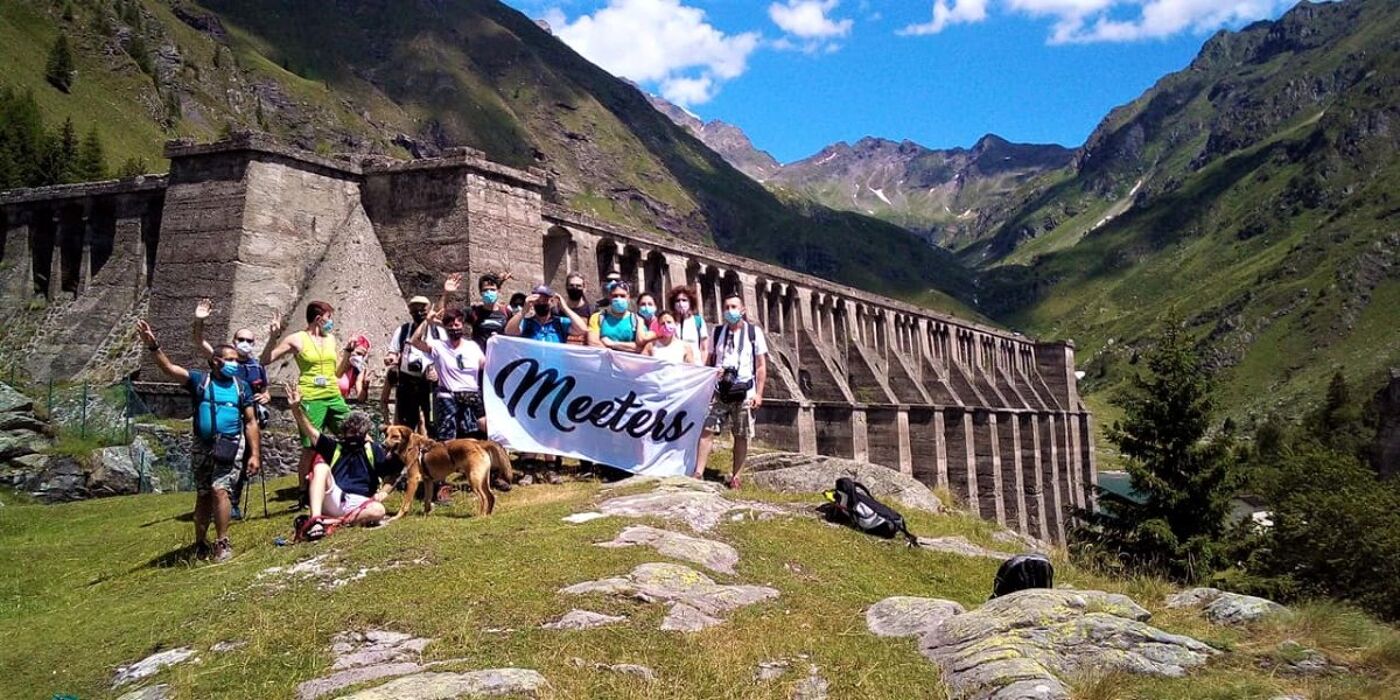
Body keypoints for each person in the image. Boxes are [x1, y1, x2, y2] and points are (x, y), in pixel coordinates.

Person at [136, 319, 260, 562]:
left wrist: (255, 454)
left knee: (220, 490)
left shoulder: (242, 387)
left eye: (236, 360)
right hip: (202, 445)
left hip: (230, 444)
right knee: (203, 493)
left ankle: (222, 542)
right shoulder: (199, 381)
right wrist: (153, 346)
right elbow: (169, 369)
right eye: (230, 360)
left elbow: (251, 421)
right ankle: (201, 542)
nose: (235, 364)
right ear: (216, 361)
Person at [261, 301, 351, 507]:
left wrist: (347, 352)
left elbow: (337, 371)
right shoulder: (297, 339)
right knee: (311, 447)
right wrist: (273, 337)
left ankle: (350, 478)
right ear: (318, 319)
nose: (331, 322)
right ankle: (303, 493)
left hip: (333, 395)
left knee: (353, 432)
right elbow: (265, 359)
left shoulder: (331, 339)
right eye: (329, 318)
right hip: (311, 397)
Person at [286, 383, 403, 534]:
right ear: (344, 432)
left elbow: (392, 473)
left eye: (358, 432)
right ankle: (316, 520)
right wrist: (296, 409)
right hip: (334, 496)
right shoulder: (335, 448)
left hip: (359, 501)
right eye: (350, 432)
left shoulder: (372, 450)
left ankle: (334, 521)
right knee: (320, 468)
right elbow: (311, 432)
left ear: (364, 434)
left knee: (378, 510)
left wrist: (384, 492)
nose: (353, 436)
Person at [192, 298, 270, 521]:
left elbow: (265, 390)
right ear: (234, 341)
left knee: (245, 462)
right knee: (219, 464)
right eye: (241, 339)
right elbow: (199, 341)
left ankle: (232, 503)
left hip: (249, 419)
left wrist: (266, 396)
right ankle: (218, 504)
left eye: (249, 340)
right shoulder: (223, 360)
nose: (245, 343)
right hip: (225, 424)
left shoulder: (256, 366)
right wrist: (199, 320)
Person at [695, 293, 767, 489]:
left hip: (744, 392)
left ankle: (736, 477)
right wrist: (709, 376)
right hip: (720, 391)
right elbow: (709, 359)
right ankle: (698, 473)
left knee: (741, 435)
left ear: (743, 310)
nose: (730, 311)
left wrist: (759, 394)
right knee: (707, 429)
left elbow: (761, 365)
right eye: (727, 307)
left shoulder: (754, 333)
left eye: (734, 307)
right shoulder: (717, 332)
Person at [410, 307, 487, 441]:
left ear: (462, 325)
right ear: (445, 327)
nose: (454, 328)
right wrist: (426, 321)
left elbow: (486, 366)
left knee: (474, 436)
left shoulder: (473, 347)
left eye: (457, 325)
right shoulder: (438, 346)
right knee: (448, 439)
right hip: (448, 396)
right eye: (450, 325)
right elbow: (415, 341)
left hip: (471, 396)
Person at [385, 293, 444, 432]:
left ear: (429, 310)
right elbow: (393, 352)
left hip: (430, 383)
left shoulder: (439, 331)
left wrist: (438, 372)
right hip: (407, 382)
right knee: (406, 426)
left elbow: (447, 355)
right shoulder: (402, 330)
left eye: (422, 309)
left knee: (433, 424)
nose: (419, 313)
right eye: (415, 310)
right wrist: (391, 359)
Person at [505, 285, 589, 343]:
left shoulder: (560, 323)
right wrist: (523, 311)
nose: (541, 303)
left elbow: (582, 329)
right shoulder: (527, 323)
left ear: (551, 301)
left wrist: (565, 308)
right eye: (538, 301)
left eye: (545, 300)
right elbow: (509, 331)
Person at [587, 281, 652, 353]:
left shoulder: (637, 320)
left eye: (622, 296)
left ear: (628, 297)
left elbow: (643, 347)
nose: (619, 299)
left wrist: (612, 344)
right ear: (610, 297)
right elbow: (593, 343)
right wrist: (629, 347)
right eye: (615, 296)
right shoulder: (598, 317)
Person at [467, 272, 514, 350]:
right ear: (480, 293)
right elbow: (447, 317)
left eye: (492, 290)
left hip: (499, 355)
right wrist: (447, 293)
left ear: (498, 291)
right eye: (485, 290)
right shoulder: (474, 312)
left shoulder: (506, 312)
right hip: (481, 356)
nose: (489, 292)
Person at [668, 285, 710, 360]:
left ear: (690, 302)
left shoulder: (698, 321)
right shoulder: (669, 321)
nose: (680, 303)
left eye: (684, 300)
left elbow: (704, 348)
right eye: (677, 300)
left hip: (694, 363)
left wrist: (702, 364)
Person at [338, 335, 371, 404]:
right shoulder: (337, 360)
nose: (359, 357)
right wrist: (347, 355)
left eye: (363, 356)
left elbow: (361, 398)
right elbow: (338, 374)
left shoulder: (358, 368)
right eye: (358, 353)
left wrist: (365, 386)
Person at [562, 272, 592, 346]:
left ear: (584, 288)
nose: (574, 288)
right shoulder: (557, 310)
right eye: (571, 285)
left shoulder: (592, 310)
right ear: (566, 287)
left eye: (578, 286)